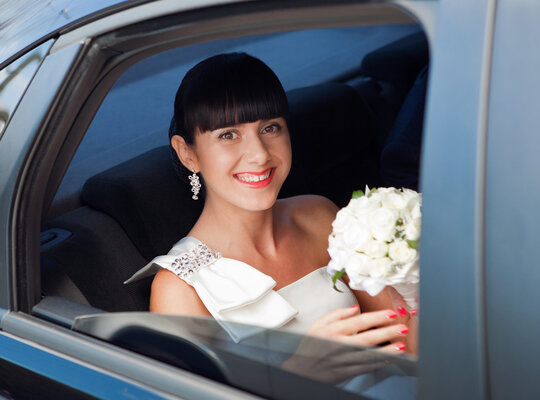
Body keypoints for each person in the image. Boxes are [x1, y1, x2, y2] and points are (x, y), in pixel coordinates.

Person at [127, 53, 417, 358]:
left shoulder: (320, 216)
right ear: (188, 154)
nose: (259, 154)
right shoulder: (180, 289)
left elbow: (409, 346)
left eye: (270, 128)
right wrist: (299, 375)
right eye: (228, 135)